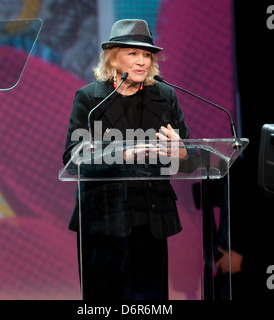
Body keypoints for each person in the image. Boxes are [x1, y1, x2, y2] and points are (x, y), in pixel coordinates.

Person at [62, 19, 191, 300]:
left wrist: (182, 154)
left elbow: (189, 156)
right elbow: (73, 158)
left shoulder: (165, 95)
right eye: (132, 53)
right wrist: (122, 154)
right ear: (113, 57)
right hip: (102, 218)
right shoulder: (89, 98)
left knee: (150, 301)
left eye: (147, 55)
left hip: (151, 217)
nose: (142, 61)